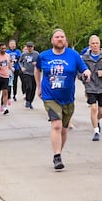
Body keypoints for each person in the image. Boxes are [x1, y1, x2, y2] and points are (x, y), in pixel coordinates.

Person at [35, 28, 91, 170]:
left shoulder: (73, 55)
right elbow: (37, 69)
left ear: (65, 40)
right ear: (52, 40)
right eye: (57, 37)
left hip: (67, 97)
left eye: (62, 37)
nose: (60, 39)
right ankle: (57, 156)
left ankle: (59, 151)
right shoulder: (44, 56)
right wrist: (38, 87)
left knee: (64, 130)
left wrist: (86, 73)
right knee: (57, 125)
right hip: (50, 96)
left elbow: (84, 68)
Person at [81, 35, 102, 141]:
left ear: (100, 44)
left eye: (97, 43)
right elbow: (79, 71)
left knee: (101, 111)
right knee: (93, 108)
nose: (95, 45)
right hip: (90, 86)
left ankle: (96, 120)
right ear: (89, 45)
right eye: (93, 43)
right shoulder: (85, 58)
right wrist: (84, 77)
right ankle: (96, 131)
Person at [20, 41, 39, 109]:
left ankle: (30, 101)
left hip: (34, 73)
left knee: (33, 88)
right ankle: (27, 100)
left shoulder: (36, 54)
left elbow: (40, 62)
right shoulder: (24, 54)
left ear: (33, 47)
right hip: (26, 72)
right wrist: (22, 67)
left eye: (31, 47)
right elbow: (20, 61)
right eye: (28, 47)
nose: (30, 48)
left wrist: (36, 63)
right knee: (29, 87)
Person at [7, 39, 21, 103]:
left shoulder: (18, 51)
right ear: (9, 45)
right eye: (11, 44)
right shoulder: (7, 51)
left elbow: (19, 58)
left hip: (16, 68)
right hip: (9, 69)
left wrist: (15, 60)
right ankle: (8, 95)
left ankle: (14, 95)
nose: (13, 45)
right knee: (9, 82)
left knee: (15, 82)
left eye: (14, 44)